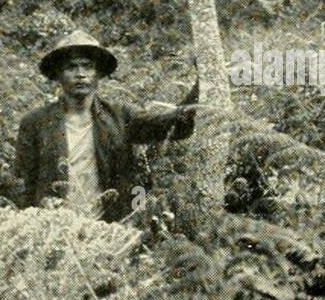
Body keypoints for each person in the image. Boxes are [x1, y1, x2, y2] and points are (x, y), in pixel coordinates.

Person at [14, 30, 199, 223]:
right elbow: (23, 182)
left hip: (110, 230)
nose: (80, 74)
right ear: (58, 75)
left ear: (98, 73)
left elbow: (173, 125)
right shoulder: (35, 123)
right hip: (56, 230)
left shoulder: (120, 117)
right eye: (71, 67)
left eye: (87, 66)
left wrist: (202, 83)